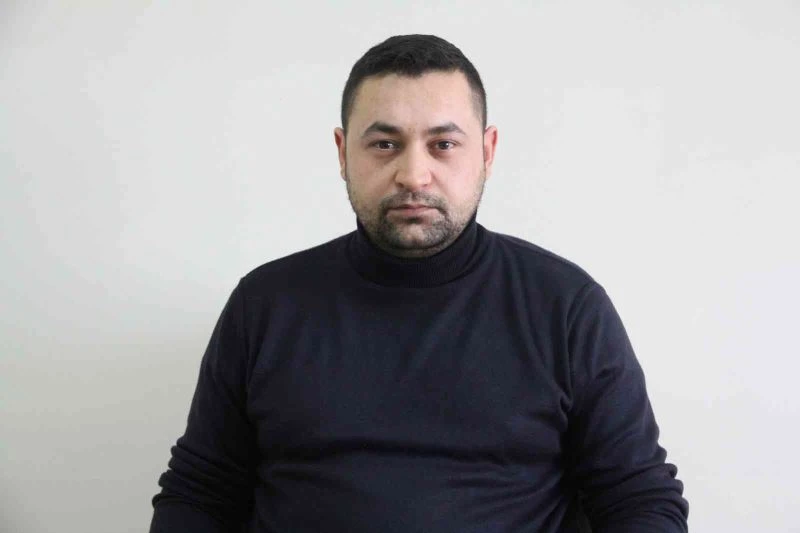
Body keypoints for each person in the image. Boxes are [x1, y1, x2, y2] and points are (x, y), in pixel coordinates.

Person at [150, 34, 688, 533]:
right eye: (385, 144)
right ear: (342, 152)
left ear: (487, 151)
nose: (413, 174)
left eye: (443, 144)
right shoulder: (265, 305)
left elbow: (639, 498)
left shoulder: (566, 308)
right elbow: (200, 493)